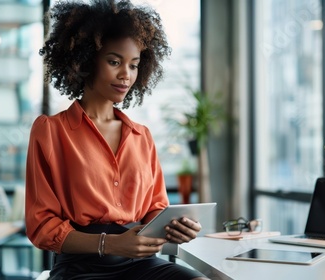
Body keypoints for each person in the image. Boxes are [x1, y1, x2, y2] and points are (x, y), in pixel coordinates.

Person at [25, 0, 209, 279]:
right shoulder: (50, 131)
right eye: (114, 62)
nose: (126, 75)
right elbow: (41, 227)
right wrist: (110, 243)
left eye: (134, 65)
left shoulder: (141, 136)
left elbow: (154, 209)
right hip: (80, 267)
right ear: (85, 61)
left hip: (142, 264)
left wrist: (175, 227)